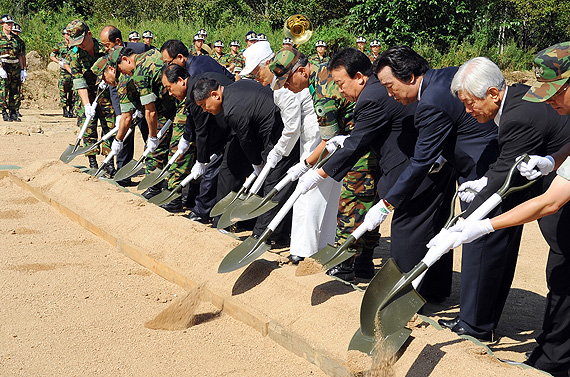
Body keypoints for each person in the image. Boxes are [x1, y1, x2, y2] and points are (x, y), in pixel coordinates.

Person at [435, 42, 570, 376]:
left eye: (555, 92)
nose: (549, 102)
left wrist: (478, 224)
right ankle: (552, 358)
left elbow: (549, 202)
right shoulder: (524, 105)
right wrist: (552, 160)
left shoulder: (518, 114)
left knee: (564, 280)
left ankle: (552, 363)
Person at [360, 45, 499, 300]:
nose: (390, 94)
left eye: (390, 86)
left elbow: (420, 162)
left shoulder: (431, 101)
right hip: (474, 161)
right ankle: (439, 297)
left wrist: (386, 204)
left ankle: (472, 326)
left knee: (476, 242)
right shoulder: (443, 77)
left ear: (410, 77)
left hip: (482, 168)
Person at [303, 48, 452, 284]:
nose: (340, 90)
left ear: (359, 77)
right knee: (434, 228)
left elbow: (356, 144)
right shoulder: (378, 90)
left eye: (341, 83)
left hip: (414, 169)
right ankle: (433, 288)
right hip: (433, 164)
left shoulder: (371, 97)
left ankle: (403, 289)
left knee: (407, 232)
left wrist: (318, 174)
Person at [269, 47, 379, 281]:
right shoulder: (322, 74)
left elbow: (329, 142)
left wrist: (307, 166)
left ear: (301, 71)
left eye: (287, 80)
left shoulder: (324, 92)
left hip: (359, 145)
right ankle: (363, 265)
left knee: (353, 204)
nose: (286, 87)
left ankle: (347, 264)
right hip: (362, 138)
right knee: (366, 204)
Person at [241, 40, 337, 261]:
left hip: (317, 135)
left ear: (268, 63)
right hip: (319, 133)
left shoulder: (283, 88)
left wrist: (280, 153)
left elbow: (292, 128)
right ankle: (322, 245)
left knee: (307, 191)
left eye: (257, 72)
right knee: (324, 191)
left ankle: (303, 251)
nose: (257, 78)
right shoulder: (283, 83)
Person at [191, 77, 299, 241]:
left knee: (272, 184)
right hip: (276, 125)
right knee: (274, 182)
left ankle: (263, 235)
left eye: (204, 105)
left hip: (281, 133)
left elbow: (246, 139)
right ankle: (280, 233)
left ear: (215, 95)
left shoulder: (232, 111)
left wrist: (257, 163)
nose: (205, 110)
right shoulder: (237, 86)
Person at [161, 65, 233, 221]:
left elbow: (202, 132)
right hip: (223, 122)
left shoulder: (197, 93)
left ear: (180, 81)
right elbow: (192, 119)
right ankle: (198, 204)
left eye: (169, 87)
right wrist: (186, 138)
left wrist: (201, 161)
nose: (170, 93)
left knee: (211, 167)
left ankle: (201, 212)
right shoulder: (195, 85)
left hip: (231, 126)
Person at [109, 47, 179, 199]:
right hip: (174, 101)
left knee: (154, 150)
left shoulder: (139, 73)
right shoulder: (152, 52)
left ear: (126, 60)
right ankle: (162, 184)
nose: (123, 74)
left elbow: (151, 111)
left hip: (171, 106)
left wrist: (153, 137)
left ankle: (154, 187)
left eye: (121, 69)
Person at [99, 25, 151, 185]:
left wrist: (145, 106)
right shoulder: (111, 58)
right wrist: (119, 113)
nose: (106, 49)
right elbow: (114, 87)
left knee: (150, 134)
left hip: (147, 99)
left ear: (118, 41)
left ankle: (152, 174)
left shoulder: (141, 48)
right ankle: (123, 174)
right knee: (125, 133)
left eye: (107, 45)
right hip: (126, 99)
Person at [66, 19, 117, 172]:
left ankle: (109, 163)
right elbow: (78, 79)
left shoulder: (105, 47)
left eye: (81, 41)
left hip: (105, 92)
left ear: (89, 34)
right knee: (88, 127)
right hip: (85, 93)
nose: (80, 45)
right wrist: (87, 105)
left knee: (110, 126)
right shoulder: (74, 54)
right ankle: (93, 163)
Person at [0, 14, 26, 122]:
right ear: (2, 24)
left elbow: (21, 55)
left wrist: (23, 69)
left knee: (15, 89)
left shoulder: (17, 40)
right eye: (8, 23)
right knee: (3, 90)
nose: (10, 25)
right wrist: (0, 68)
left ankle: (14, 112)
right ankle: (4, 112)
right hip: (4, 66)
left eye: (11, 23)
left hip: (15, 66)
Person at [50, 28, 74, 118]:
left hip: (73, 70)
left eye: (69, 34)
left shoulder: (75, 46)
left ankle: (71, 109)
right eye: (66, 34)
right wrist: (59, 62)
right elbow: (52, 56)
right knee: (63, 90)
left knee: (73, 92)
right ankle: (64, 109)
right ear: (63, 35)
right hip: (64, 72)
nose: (68, 36)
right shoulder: (60, 45)